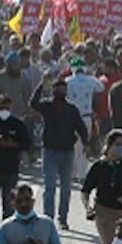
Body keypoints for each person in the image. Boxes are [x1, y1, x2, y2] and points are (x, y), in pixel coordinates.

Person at [32, 79, 89, 229]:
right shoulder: (47, 106)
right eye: (58, 90)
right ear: (53, 91)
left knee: (66, 189)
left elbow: (81, 127)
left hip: (67, 152)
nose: (61, 93)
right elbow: (33, 104)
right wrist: (41, 85)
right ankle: (48, 219)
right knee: (49, 188)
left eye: (63, 90)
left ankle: (62, 218)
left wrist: (86, 143)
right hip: (50, 151)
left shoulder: (71, 109)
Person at [0, 93, 33, 244]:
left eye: (6, 107)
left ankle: (6, 232)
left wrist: (12, 145)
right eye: (1, 106)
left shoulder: (17, 123)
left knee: (9, 205)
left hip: (10, 169)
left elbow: (27, 144)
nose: (4, 109)